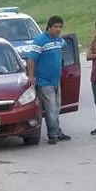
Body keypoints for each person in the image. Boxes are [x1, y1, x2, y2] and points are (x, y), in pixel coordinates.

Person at [26, 15, 70, 144]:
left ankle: (57, 130)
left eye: (60, 27)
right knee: (51, 108)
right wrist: (31, 76)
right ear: (49, 27)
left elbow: (62, 53)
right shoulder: (40, 40)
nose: (58, 29)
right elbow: (31, 59)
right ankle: (52, 135)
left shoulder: (60, 40)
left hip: (56, 80)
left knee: (57, 107)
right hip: (44, 82)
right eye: (55, 27)